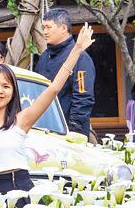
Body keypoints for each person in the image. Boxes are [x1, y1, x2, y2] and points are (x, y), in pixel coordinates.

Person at [0, 24, 95, 208]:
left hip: (23, 193)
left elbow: (54, 88)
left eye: (6, 86)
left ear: (13, 92)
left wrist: (77, 50)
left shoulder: (20, 121)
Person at [34, 8, 96, 137]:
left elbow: (83, 99)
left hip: (67, 131)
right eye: (43, 27)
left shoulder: (81, 57)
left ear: (63, 28)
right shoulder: (44, 56)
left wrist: (74, 132)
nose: (44, 32)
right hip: (42, 128)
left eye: (48, 27)